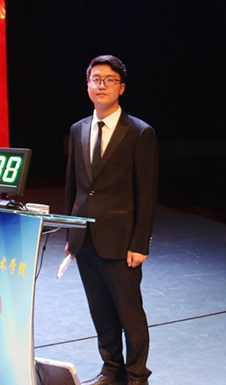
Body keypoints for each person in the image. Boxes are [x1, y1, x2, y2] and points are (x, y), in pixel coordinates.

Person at [65, 55, 159, 385]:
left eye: (109, 80)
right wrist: (71, 233)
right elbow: (74, 186)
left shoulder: (140, 132)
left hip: (121, 242)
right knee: (100, 311)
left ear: (121, 87)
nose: (101, 85)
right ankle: (111, 369)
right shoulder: (78, 129)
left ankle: (137, 376)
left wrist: (140, 242)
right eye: (96, 79)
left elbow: (146, 193)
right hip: (85, 238)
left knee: (129, 313)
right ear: (87, 85)